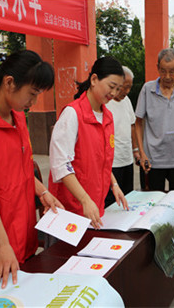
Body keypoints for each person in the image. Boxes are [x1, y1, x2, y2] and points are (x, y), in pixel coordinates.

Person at [0, 50, 64, 288]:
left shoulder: (18, 117)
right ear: (9, 82)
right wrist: (1, 244)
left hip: (23, 236)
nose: (33, 102)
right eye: (32, 94)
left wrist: (42, 192)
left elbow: (23, 170)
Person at [49, 57, 129, 230]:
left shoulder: (107, 116)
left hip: (94, 206)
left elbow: (103, 159)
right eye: (111, 86)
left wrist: (114, 184)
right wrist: (85, 199)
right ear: (94, 80)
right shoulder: (72, 114)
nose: (114, 93)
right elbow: (61, 165)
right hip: (71, 209)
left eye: (118, 89)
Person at [135, 48, 174, 191]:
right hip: (153, 159)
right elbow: (138, 123)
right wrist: (142, 153)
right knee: (153, 204)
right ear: (157, 68)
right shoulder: (147, 89)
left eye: (172, 71)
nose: (167, 76)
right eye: (163, 71)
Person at [104, 66, 139, 207]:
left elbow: (132, 125)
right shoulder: (106, 102)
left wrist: (135, 150)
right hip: (112, 163)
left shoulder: (127, 101)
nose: (127, 91)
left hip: (127, 159)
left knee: (128, 198)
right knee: (112, 202)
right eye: (124, 87)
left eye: (129, 87)